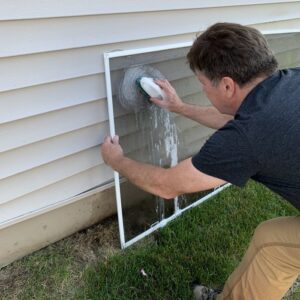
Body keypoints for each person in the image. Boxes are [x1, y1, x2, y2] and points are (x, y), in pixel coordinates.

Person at [101, 23, 300, 300]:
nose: (203, 90)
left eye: (203, 84)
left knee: (276, 252)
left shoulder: (247, 137)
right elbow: (240, 119)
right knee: (270, 239)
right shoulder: (290, 82)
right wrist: (179, 107)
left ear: (228, 85)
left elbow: (167, 186)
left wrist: (118, 160)